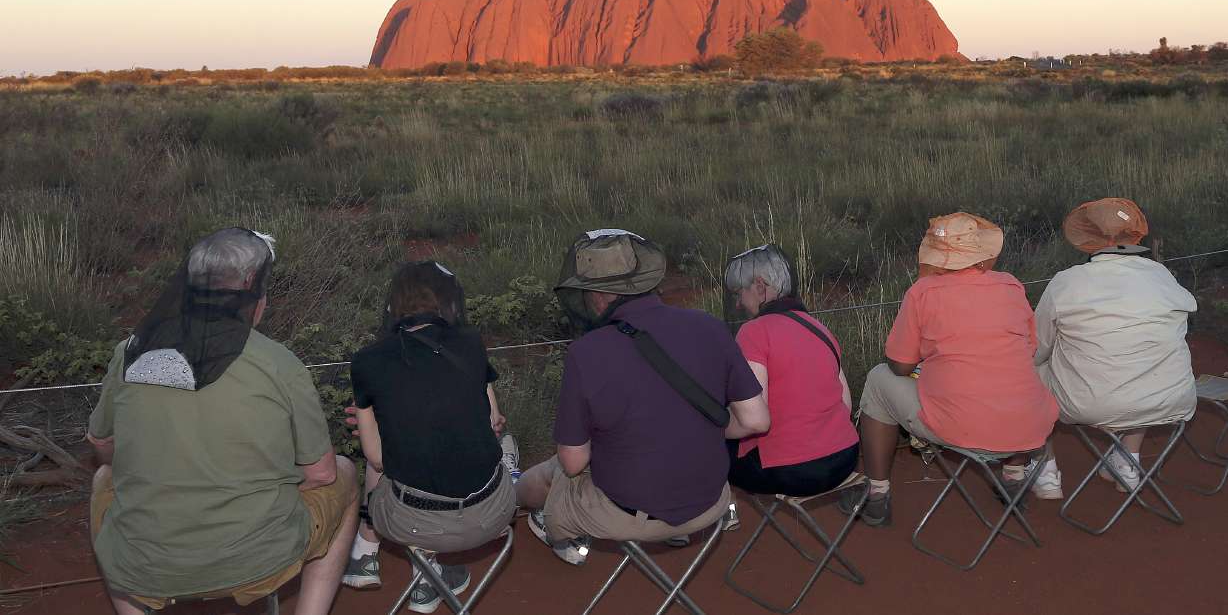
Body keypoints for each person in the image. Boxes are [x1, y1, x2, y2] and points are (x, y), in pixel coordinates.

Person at [87, 228, 358, 615]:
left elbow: (101, 446)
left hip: (148, 563)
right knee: (344, 475)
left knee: (103, 481)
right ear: (253, 292)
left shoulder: (129, 352)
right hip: (258, 560)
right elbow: (321, 474)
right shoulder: (279, 363)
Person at [515, 229, 771, 564]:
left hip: (626, 514)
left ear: (596, 295)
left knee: (553, 473)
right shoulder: (709, 326)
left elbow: (574, 461)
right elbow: (756, 420)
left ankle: (515, 504)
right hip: (710, 503)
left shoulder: (586, 352)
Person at [838, 213, 1058, 526]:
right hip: (1029, 425)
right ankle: (1013, 478)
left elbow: (900, 366)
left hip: (961, 426)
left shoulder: (923, 292)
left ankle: (876, 494)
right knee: (1014, 376)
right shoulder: (1011, 285)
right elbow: (1030, 349)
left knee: (877, 380)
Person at [342, 261, 517, 613]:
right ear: (449, 304)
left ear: (393, 307)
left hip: (412, 522)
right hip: (494, 514)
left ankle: (366, 554)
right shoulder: (470, 343)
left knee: (393, 462)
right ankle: (428, 575)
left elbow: (376, 458)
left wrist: (385, 420)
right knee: (504, 443)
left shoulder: (367, 361)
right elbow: (494, 420)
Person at [1029, 198, 1197, 498]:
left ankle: (1045, 472)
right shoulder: (1162, 276)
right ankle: (1128, 461)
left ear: (1089, 237)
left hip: (1091, 403)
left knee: (1027, 373)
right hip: (1169, 400)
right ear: (1135, 235)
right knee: (1146, 358)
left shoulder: (1067, 282)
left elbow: (1037, 347)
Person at [722, 244, 859, 498]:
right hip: (844, 459)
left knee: (711, 439)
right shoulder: (819, 327)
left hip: (790, 470)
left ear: (760, 286)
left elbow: (753, 420)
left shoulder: (753, 332)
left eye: (739, 292)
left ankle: (722, 515)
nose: (739, 303)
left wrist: (717, 425)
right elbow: (846, 405)